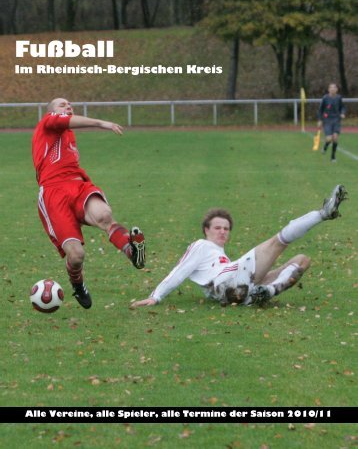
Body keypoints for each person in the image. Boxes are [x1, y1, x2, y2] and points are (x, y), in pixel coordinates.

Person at [131, 185, 347, 308]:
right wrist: (156, 296)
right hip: (227, 281)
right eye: (217, 228)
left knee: (302, 260)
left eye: (226, 228)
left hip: (236, 291)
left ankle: (265, 292)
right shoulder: (201, 245)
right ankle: (323, 214)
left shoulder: (220, 256)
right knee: (277, 242)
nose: (222, 231)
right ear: (206, 230)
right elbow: (180, 270)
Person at [32, 97, 146, 309]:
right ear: (51, 112)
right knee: (76, 255)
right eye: (62, 104)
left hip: (78, 186)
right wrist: (102, 123)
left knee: (104, 215)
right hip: (54, 193)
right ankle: (78, 284)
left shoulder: (68, 135)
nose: (67, 106)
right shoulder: (47, 122)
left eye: (69, 104)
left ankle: (132, 252)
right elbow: (66, 120)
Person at [317, 83, 346, 162]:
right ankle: (325, 146)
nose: (333, 89)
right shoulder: (325, 98)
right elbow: (320, 110)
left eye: (334, 88)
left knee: (335, 138)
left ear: (337, 89)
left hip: (336, 120)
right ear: (328, 89)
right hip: (327, 120)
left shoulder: (339, 98)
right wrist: (320, 120)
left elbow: (342, 107)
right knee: (329, 138)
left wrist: (343, 113)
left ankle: (333, 157)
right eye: (331, 88)